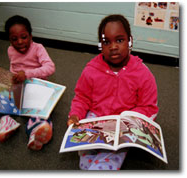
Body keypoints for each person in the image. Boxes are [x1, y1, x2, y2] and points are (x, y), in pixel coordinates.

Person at [67, 14, 158, 170]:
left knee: (113, 153)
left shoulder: (142, 73)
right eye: (106, 42)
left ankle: (108, 158)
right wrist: (75, 115)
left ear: (130, 40)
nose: (113, 46)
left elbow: (148, 107)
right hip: (97, 116)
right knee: (84, 162)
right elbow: (82, 98)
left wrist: (127, 119)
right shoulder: (91, 70)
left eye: (120, 40)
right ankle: (95, 152)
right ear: (100, 45)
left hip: (124, 122)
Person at [0, 15, 55, 150]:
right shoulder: (10, 50)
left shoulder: (38, 48)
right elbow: (14, 68)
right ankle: (6, 122)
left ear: (31, 36)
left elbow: (50, 67)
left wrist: (27, 74)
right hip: (19, 89)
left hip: (37, 88)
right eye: (14, 39)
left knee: (40, 109)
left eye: (24, 37)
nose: (20, 42)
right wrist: (12, 77)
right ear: (9, 40)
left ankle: (36, 130)